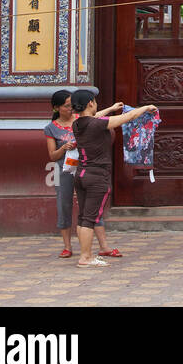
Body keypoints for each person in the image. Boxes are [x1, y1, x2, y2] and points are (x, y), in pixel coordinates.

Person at [71, 91, 156, 269]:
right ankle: (85, 257)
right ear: (90, 103)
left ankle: (85, 254)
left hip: (81, 174)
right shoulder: (97, 124)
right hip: (96, 176)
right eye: (94, 102)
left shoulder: (77, 123)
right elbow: (129, 117)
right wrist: (146, 107)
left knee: (82, 218)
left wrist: (110, 108)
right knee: (90, 219)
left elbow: (97, 117)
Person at [43, 89, 126, 260]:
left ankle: (103, 246)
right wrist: (63, 148)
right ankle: (68, 246)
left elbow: (95, 116)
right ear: (57, 108)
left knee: (90, 208)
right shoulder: (51, 128)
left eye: (72, 105)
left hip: (83, 168)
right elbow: (52, 156)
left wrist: (111, 108)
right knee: (64, 204)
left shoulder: (79, 120)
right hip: (64, 169)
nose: (70, 109)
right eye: (67, 106)